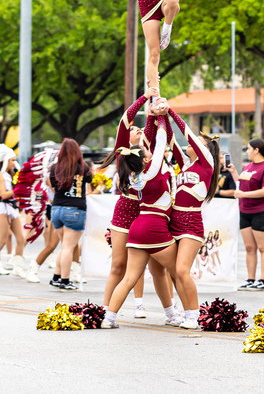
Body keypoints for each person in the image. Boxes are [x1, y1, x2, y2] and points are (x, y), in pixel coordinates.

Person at [98, 89, 180, 324]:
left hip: (148, 215)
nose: (138, 130)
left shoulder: (147, 150)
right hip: (126, 212)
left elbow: (157, 129)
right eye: (135, 129)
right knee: (119, 265)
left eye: (140, 128)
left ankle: (171, 313)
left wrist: (158, 111)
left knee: (158, 269)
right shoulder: (123, 150)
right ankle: (104, 311)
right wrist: (145, 97)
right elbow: (125, 120)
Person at [166, 107, 220, 329]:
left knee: (181, 270)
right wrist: (160, 116)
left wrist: (170, 111)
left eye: (196, 142)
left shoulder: (206, 163)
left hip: (191, 224)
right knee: (172, 273)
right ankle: (182, 311)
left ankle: (193, 315)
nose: (190, 143)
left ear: (204, 149)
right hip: (173, 222)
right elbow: (170, 141)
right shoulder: (185, 164)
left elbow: (185, 133)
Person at [47, 139, 97, 291]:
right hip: (75, 209)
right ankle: (65, 280)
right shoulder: (83, 168)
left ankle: (56, 277)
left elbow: (52, 184)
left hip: (56, 209)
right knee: (69, 247)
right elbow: (91, 181)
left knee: (65, 246)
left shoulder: (55, 168)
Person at [231, 138, 264, 291]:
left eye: (249, 148)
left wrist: (243, 195)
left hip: (261, 212)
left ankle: (263, 280)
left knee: (263, 247)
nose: (247, 151)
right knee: (249, 247)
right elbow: (242, 183)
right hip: (245, 211)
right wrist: (233, 172)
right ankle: (251, 279)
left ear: (257, 150)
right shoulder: (249, 166)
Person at [0, 145, 26, 278]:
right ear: (5, 160)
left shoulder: (13, 174)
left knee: (21, 238)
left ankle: (18, 266)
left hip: (12, 208)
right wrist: (18, 189)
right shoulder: (1, 175)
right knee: (2, 239)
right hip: (3, 207)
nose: (14, 163)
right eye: (12, 160)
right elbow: (3, 194)